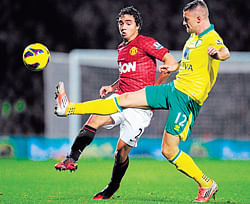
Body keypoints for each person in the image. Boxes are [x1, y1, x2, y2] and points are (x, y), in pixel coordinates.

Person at [55, 0, 230, 202]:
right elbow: (191, 62)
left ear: (199, 18)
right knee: (125, 98)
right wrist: (176, 67)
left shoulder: (211, 38)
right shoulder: (193, 39)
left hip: (187, 100)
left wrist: (218, 54)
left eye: (186, 19)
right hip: (173, 89)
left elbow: (224, 51)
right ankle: (68, 108)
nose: (183, 23)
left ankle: (206, 184)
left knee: (168, 150)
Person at [54, 6, 177, 200]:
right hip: (120, 97)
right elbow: (127, 74)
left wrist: (155, 87)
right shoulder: (121, 48)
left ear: (137, 25)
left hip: (140, 106)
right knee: (94, 119)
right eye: (120, 23)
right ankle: (71, 158)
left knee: (121, 153)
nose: (123, 27)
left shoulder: (146, 42)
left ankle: (113, 185)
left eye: (128, 23)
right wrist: (112, 87)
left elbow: (169, 61)